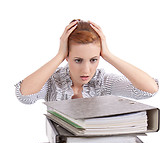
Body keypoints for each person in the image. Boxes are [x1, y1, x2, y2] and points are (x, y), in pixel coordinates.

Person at [15, 19, 159, 104]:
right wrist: (59, 55)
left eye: (93, 60)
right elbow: (25, 95)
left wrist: (108, 54)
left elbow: (148, 90)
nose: (86, 70)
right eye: (78, 60)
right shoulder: (54, 82)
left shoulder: (102, 82)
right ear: (67, 56)